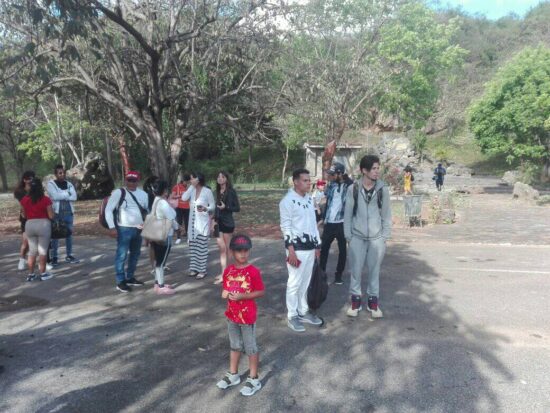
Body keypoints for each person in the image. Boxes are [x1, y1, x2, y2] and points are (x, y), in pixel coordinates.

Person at [216, 234, 264, 396]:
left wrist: (244, 296)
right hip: (232, 316)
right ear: (232, 252)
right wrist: (225, 292)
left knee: (251, 348)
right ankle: (233, 374)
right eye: (239, 251)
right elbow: (226, 288)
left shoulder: (253, 272)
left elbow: (260, 291)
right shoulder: (228, 271)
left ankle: (253, 378)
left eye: (246, 250)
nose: (243, 254)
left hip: (247, 317)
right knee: (235, 345)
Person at [344, 155, 391, 318]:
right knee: (355, 271)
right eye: (374, 169)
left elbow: (386, 215)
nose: (377, 172)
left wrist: (384, 237)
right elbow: (348, 215)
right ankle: (355, 302)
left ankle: (373, 303)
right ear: (364, 170)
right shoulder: (353, 189)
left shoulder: (382, 189)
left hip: (377, 239)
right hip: (357, 237)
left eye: (378, 168)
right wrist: (348, 236)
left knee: (374, 271)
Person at [279, 168, 323, 332]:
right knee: (294, 282)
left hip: (310, 248)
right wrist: (290, 249)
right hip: (296, 249)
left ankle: (303, 310)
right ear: (296, 182)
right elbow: (286, 227)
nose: (308, 183)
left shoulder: (308, 200)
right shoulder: (287, 201)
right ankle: (292, 315)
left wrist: (317, 245)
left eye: (309, 180)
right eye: (305, 180)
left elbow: (313, 225)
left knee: (305, 281)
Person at [105, 171, 149, 293]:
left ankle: (130, 277)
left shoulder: (143, 194)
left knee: (135, 254)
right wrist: (112, 227)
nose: (131, 183)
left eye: (134, 180)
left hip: (138, 229)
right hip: (124, 228)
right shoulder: (118, 193)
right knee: (121, 254)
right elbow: (108, 210)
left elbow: (147, 210)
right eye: (129, 180)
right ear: (126, 180)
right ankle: (120, 281)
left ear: (138, 181)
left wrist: (146, 225)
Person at [320, 162, 351, 285]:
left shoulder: (349, 186)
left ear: (340, 174)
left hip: (342, 224)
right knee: (324, 250)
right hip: (329, 223)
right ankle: (321, 274)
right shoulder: (331, 185)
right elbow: (327, 199)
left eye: (333, 174)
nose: (330, 176)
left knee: (342, 251)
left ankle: (338, 275)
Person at [19, 177, 55, 281]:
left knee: (32, 251)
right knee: (42, 251)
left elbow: (24, 216)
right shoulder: (46, 199)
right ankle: (43, 274)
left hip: (29, 225)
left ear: (30, 187)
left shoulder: (24, 200)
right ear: (41, 187)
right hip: (43, 225)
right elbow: (51, 216)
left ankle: (30, 275)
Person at [182, 172, 215, 279]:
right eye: (190, 179)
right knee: (193, 248)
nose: (190, 181)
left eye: (192, 179)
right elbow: (183, 198)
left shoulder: (207, 191)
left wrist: (206, 209)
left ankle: (202, 270)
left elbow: (213, 206)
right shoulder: (191, 190)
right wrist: (191, 186)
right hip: (192, 225)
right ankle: (194, 269)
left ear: (198, 179)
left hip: (202, 223)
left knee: (201, 248)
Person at [149, 180, 179, 295]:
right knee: (161, 262)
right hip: (165, 235)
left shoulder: (156, 201)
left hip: (156, 233)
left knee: (158, 260)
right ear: (164, 190)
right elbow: (171, 218)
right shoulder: (163, 203)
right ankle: (160, 286)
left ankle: (157, 283)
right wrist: (177, 227)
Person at [47, 165, 79, 266]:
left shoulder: (69, 184)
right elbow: (55, 196)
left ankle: (69, 255)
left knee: (69, 235)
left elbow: (74, 197)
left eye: (63, 172)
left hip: (69, 213)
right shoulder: (51, 184)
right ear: (56, 174)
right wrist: (67, 194)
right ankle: (54, 257)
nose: (62, 174)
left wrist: (62, 195)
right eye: (60, 173)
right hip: (57, 213)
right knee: (55, 235)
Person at [214, 171, 240, 284]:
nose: (220, 178)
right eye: (218, 176)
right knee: (221, 248)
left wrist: (226, 207)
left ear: (226, 179)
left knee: (228, 248)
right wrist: (212, 220)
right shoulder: (216, 192)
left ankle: (228, 272)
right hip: (217, 222)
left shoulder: (231, 192)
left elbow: (237, 208)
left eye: (222, 177)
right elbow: (215, 208)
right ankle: (224, 273)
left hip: (228, 223)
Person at [14, 170, 35, 271]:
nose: (31, 180)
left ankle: (43, 262)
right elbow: (24, 205)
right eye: (30, 178)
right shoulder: (20, 191)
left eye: (33, 178)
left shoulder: (36, 188)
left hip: (36, 216)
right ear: (25, 180)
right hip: (25, 218)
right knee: (26, 242)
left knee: (38, 242)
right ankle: (22, 260)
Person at [170, 173, 191, 244]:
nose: (187, 183)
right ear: (183, 181)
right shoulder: (177, 187)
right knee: (179, 222)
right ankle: (178, 237)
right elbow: (172, 196)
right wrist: (180, 196)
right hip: (179, 207)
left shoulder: (190, 188)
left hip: (188, 207)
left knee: (187, 223)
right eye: (186, 182)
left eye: (188, 182)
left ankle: (189, 237)